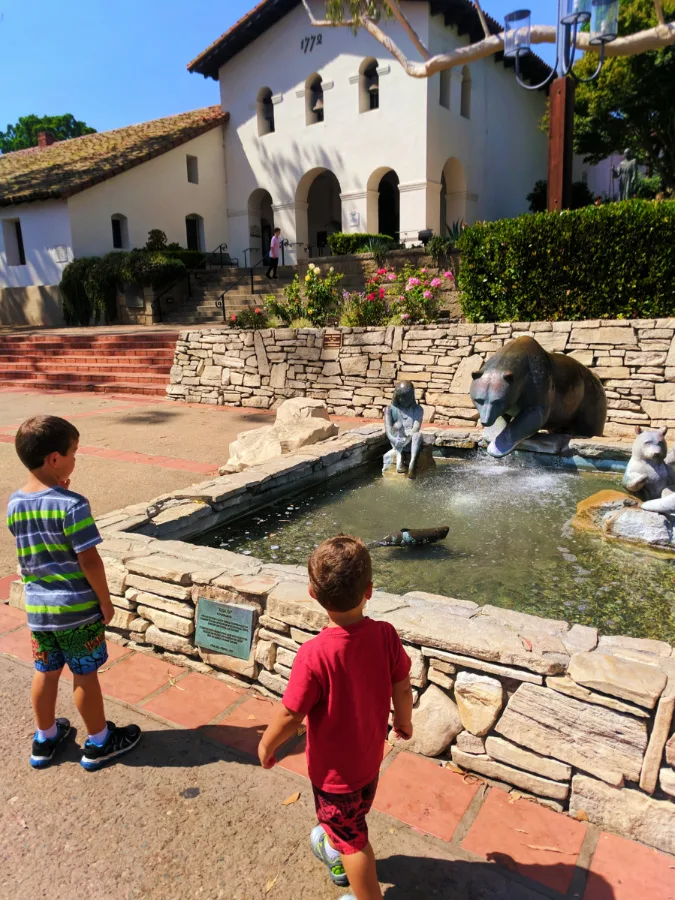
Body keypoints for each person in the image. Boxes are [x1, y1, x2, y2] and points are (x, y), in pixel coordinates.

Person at [258, 535, 413, 900]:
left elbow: (290, 713)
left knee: (353, 840)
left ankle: (366, 894)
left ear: (312, 593)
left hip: (333, 776)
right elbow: (402, 686)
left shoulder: (314, 655)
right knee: (350, 821)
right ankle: (336, 854)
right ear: (370, 590)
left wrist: (266, 744)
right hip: (369, 762)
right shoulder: (386, 636)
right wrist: (403, 721)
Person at [7, 415, 141, 770]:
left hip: (39, 611)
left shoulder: (15, 503)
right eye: (73, 452)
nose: (76, 459)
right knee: (84, 674)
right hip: (76, 611)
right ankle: (99, 740)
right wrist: (106, 600)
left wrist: (58, 488)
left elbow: (37, 547)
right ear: (54, 459)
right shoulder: (73, 505)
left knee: (45, 671)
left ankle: (45, 737)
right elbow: (90, 560)